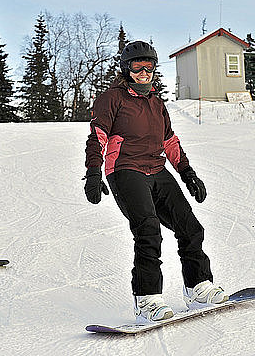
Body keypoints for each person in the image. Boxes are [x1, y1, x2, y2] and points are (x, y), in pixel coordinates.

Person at [84, 40, 227, 323]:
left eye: (149, 67)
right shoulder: (111, 99)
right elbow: (97, 136)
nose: (144, 72)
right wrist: (93, 172)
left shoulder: (156, 103)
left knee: (190, 227)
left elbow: (169, 141)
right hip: (125, 170)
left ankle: (197, 287)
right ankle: (147, 300)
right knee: (148, 230)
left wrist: (188, 173)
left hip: (156, 169)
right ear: (127, 69)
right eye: (137, 67)